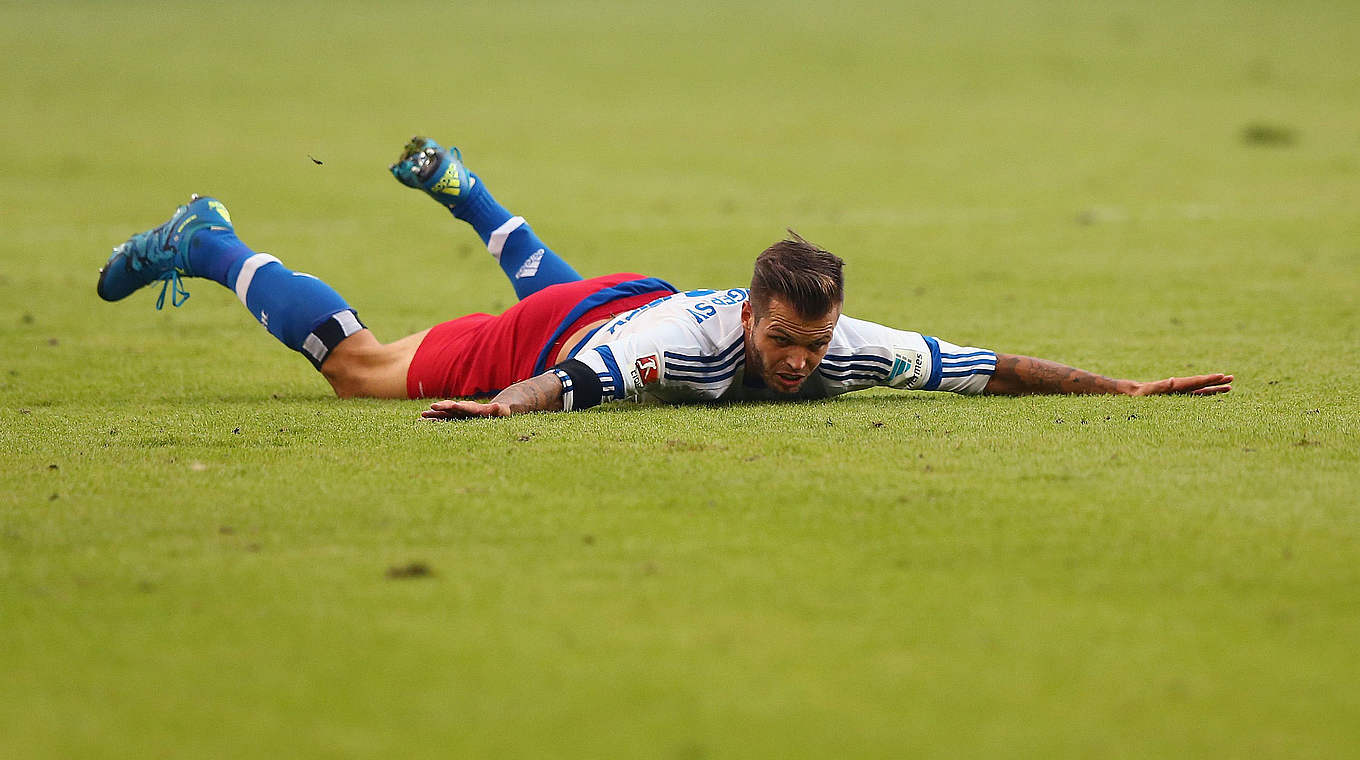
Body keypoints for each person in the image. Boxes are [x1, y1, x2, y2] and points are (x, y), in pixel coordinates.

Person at [96, 137, 1232, 419]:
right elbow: (574, 384)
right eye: (782, 341)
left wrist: (1125, 391)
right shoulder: (680, 351)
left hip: (623, 295)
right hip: (576, 332)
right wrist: (496, 404)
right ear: (751, 314)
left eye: (811, 346)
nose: (798, 361)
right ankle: (208, 243)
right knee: (359, 371)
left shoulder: (847, 344)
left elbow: (984, 368)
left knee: (578, 299)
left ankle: (471, 190)